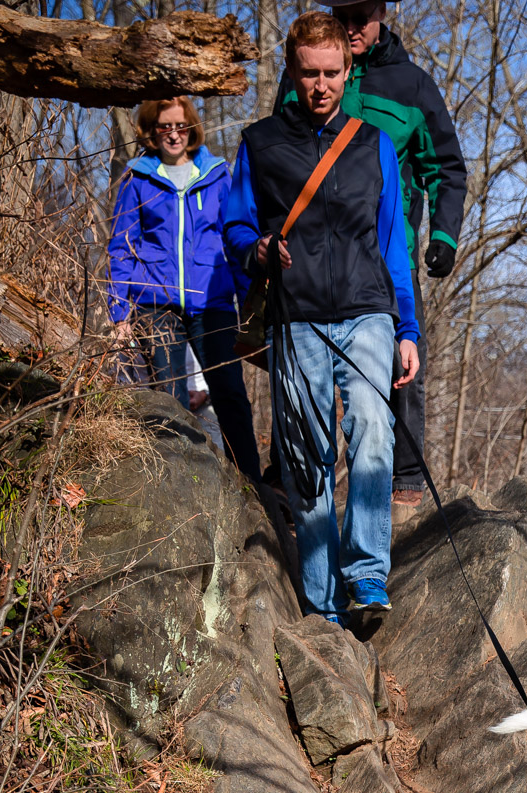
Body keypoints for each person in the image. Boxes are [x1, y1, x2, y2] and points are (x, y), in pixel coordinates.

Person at [224, 11, 420, 624]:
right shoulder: (259, 143)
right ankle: (323, 604)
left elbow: (394, 245)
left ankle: (366, 579)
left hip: (367, 312)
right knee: (305, 457)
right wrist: (256, 249)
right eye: (309, 73)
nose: (321, 85)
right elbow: (232, 225)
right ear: (291, 70)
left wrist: (407, 328)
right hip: (296, 316)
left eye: (333, 73)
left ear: (348, 69)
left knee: (371, 431)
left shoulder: (373, 144)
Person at [276, 0, 466, 509]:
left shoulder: (411, 85)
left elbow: (446, 167)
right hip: (310, 256)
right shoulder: (306, 73)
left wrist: (444, 236)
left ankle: (405, 477)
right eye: (345, 14)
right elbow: (278, 158)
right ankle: (287, 472)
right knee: (296, 367)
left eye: (363, 15)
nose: (354, 26)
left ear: (383, 11)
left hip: (386, 254)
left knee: (401, 363)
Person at [108, 96, 261, 483]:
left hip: (212, 302)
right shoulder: (137, 177)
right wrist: (119, 311)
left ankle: (252, 487)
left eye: (180, 125)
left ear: (192, 128)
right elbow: (121, 245)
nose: (173, 134)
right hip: (155, 306)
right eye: (164, 127)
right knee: (169, 401)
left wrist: (250, 306)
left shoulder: (217, 175)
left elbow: (235, 241)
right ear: (152, 130)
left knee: (229, 395)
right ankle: (176, 490)